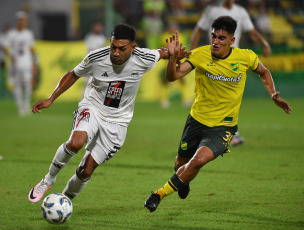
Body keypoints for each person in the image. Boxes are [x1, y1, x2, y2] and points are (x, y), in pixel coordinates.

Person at [28, 24, 190, 203]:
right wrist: (51, 98)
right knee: (76, 143)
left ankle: (64, 201)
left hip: (118, 122)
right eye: (113, 46)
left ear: (133, 48)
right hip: (93, 107)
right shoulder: (96, 58)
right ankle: (48, 179)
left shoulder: (144, 57)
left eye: (122, 49)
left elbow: (162, 53)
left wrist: (174, 54)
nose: (116, 53)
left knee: (85, 171)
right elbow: (73, 74)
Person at [144, 16, 291, 212]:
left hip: (224, 126)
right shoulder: (199, 54)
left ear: (232, 40)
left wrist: (273, 94)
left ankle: (157, 194)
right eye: (213, 36)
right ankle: (183, 181)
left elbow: (264, 72)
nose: (215, 41)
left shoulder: (245, 57)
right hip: (196, 120)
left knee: (198, 161)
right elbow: (172, 77)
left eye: (221, 38)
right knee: (181, 163)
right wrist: (171, 58)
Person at [190, 0, 272, 146]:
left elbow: (252, 32)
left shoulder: (241, 12)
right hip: (215, 60)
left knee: (231, 98)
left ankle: (228, 132)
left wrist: (264, 43)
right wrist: (190, 53)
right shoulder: (211, 10)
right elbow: (198, 30)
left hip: (236, 61)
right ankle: (214, 131)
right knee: (214, 96)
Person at [4, 11, 37, 116]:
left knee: (27, 83)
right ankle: (20, 108)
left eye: (23, 20)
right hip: (15, 63)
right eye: (20, 20)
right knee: (16, 84)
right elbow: (4, 46)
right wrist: (10, 55)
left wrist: (34, 63)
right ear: (16, 21)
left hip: (26, 62)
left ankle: (26, 105)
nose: (21, 22)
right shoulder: (11, 34)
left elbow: (32, 49)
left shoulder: (28, 34)